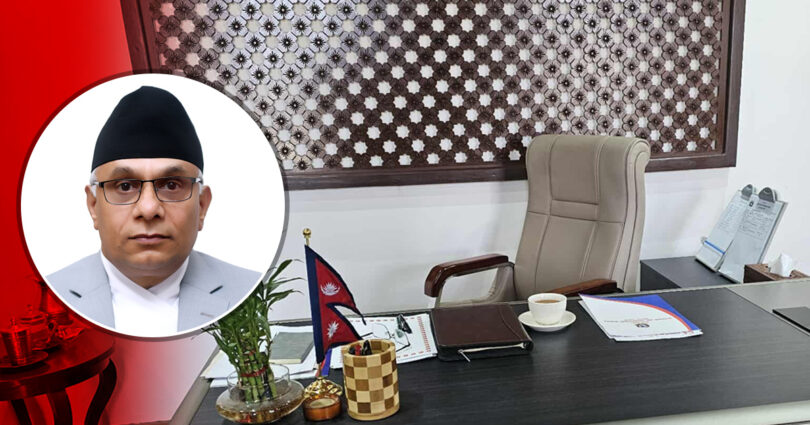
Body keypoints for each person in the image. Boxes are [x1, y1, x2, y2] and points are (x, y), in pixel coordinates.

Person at [47, 86, 259, 336]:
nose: (148, 209)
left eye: (171, 185)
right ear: (94, 206)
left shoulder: (254, 292)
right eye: (125, 186)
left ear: (202, 206)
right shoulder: (49, 296)